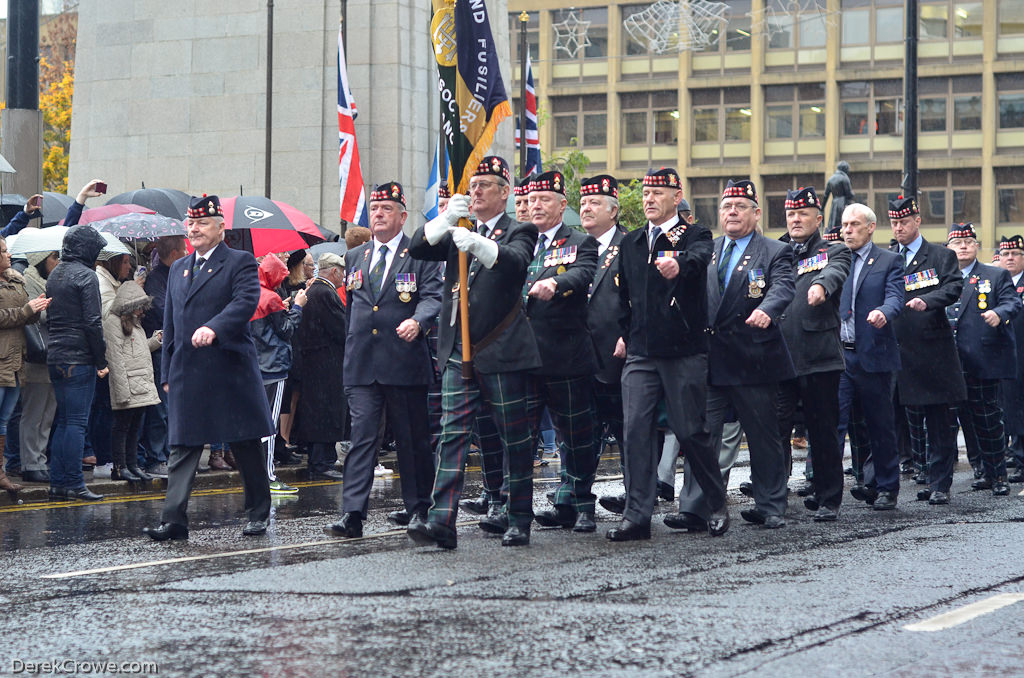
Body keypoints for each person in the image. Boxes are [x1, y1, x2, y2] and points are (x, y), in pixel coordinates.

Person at [408, 155, 541, 549]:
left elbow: (515, 262)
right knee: (452, 435)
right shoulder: (458, 231)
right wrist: (445, 220)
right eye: (474, 184)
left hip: (501, 350)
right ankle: (441, 521)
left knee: (513, 438)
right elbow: (417, 247)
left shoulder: (522, 228)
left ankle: (518, 516)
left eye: (485, 184)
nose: (476, 190)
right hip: (456, 350)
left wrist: (480, 244)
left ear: (504, 193)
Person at [144, 194, 274, 541]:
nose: (195, 229)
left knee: (245, 443)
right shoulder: (179, 269)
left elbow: (245, 302)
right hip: (189, 370)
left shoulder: (240, 262)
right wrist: (167, 372)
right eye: (191, 223)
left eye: (202, 223)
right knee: (183, 446)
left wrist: (214, 327)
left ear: (220, 227)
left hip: (229, 367)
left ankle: (258, 513)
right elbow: (170, 324)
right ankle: (173, 521)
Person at [609, 168, 730, 540]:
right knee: (636, 431)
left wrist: (678, 265)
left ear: (676, 197)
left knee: (691, 431)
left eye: (657, 193)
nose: (649, 199)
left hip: (683, 352)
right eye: (645, 193)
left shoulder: (695, 235)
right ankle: (637, 516)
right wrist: (626, 335)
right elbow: (622, 296)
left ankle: (715, 503)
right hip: (642, 353)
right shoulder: (631, 243)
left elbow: (697, 259)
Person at [676, 179, 796, 530]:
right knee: (702, 437)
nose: (732, 212)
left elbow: (783, 286)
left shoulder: (774, 251)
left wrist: (768, 310)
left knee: (763, 436)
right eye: (727, 206)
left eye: (740, 206)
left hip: (753, 358)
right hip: (711, 360)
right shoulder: (707, 250)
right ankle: (696, 508)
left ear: (756, 213)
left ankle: (771, 505)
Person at [327, 182, 441, 538]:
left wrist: (418, 321)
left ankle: (419, 508)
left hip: (403, 361)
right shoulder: (355, 257)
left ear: (402, 216)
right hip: (362, 364)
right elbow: (355, 309)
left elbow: (433, 297)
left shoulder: (420, 254)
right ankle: (353, 515)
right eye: (375, 209)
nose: (378, 214)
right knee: (361, 438)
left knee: (411, 439)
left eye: (386, 209)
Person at [519, 170, 599, 534]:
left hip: (565, 354)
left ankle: (580, 504)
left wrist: (556, 282)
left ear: (562, 205)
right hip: (521, 356)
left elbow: (582, 274)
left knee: (575, 435)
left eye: (544, 199)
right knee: (521, 438)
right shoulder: (518, 241)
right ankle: (514, 511)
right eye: (532, 200)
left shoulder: (579, 241)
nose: (536, 205)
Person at [775, 187, 851, 522]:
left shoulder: (833, 249)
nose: (796, 219)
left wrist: (821, 287)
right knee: (774, 431)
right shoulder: (775, 250)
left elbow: (834, 273)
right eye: (791, 214)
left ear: (818, 218)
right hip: (779, 356)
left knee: (822, 431)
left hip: (818, 357)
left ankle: (829, 497)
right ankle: (772, 498)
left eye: (803, 214)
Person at [888, 196, 966, 506]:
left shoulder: (939, 255)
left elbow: (953, 286)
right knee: (900, 422)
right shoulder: (888, 258)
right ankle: (914, 473)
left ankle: (940, 484)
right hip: (897, 350)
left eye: (904, 222)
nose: (899, 228)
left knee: (937, 422)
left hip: (931, 350)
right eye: (894, 223)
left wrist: (929, 300)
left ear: (917, 221)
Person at [836, 203, 904, 510]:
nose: (848, 230)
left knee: (880, 424)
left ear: (871, 227)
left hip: (874, 352)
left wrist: (884, 312)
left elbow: (896, 297)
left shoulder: (889, 260)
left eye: (854, 224)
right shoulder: (834, 258)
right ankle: (827, 489)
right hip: (839, 356)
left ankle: (887, 486)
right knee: (833, 423)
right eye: (844, 225)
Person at [945, 223, 1020, 496]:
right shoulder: (944, 276)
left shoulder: (995, 274)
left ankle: (998, 474)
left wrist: (999, 313)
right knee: (954, 422)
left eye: (969, 241)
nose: (964, 246)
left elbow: (1013, 302)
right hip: (948, 363)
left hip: (982, 359)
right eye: (957, 242)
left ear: (977, 246)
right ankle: (980, 471)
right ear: (948, 248)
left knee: (987, 420)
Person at [45, 225, 109, 501]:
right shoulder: (87, 276)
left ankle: (58, 483)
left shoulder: (56, 273)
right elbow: (93, 323)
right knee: (76, 423)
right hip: (79, 357)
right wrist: (101, 360)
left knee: (63, 422)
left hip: (56, 355)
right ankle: (74, 483)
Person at [580, 176, 627, 506]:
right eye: (583, 203)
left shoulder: (629, 246)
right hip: (579, 355)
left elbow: (640, 297)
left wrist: (630, 334)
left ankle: (636, 491)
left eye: (594, 203)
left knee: (627, 428)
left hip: (617, 352)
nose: (586, 208)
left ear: (613, 211)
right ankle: (577, 494)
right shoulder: (575, 246)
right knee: (582, 429)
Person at [249, 253, 305, 494]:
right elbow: (286, 330)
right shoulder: (271, 297)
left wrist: (283, 309)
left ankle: (256, 476)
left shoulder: (252, 294)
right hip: (273, 367)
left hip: (255, 367)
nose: (282, 283)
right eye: (280, 278)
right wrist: (298, 308)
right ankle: (269, 477)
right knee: (269, 426)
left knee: (257, 425)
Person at [291, 252, 348, 480]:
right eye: (342, 272)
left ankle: (321, 460)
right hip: (326, 363)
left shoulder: (315, 290)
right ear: (334, 271)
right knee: (326, 413)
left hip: (316, 361)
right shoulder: (325, 292)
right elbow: (341, 328)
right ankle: (321, 462)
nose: (344, 277)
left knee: (319, 412)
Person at [0, 237, 49, 492]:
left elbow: (26, 318)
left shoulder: (16, 280)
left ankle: (1, 474)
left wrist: (37, 308)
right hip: (2, 359)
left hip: (15, 360)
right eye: (4, 252)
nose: (8, 256)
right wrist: (26, 311)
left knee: (4, 419)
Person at [139, 235, 188, 478]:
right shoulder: (156, 279)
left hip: (179, 348)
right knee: (160, 406)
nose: (188, 252)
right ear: (175, 254)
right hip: (161, 349)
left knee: (176, 407)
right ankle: (156, 457)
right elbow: (161, 309)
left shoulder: (181, 274)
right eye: (184, 249)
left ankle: (171, 454)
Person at [102, 281, 160, 482]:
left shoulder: (135, 324)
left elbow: (139, 350)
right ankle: (120, 466)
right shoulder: (112, 323)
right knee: (122, 427)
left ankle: (132, 464)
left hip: (140, 384)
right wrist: (122, 392)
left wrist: (155, 341)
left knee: (134, 427)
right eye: (138, 305)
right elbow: (115, 360)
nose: (141, 310)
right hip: (128, 385)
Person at [19, 250, 59, 484]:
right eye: (54, 258)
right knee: (33, 413)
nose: (58, 262)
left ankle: (40, 460)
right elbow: (35, 315)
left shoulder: (53, 282)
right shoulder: (28, 281)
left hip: (53, 353)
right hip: (35, 355)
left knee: (47, 414)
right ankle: (29, 463)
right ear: (42, 261)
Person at [998, 235, 1024, 482]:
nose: (1010, 258)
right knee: (1011, 409)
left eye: (1015, 254)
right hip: (1006, 357)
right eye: (1005, 254)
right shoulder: (997, 282)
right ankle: (1018, 458)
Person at [822, 161, 855, 234]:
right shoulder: (844, 178)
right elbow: (848, 193)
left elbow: (826, 195)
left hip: (834, 203)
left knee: (833, 221)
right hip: (843, 202)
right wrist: (853, 195)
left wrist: (822, 208)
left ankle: (833, 234)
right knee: (842, 221)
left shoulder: (831, 179)